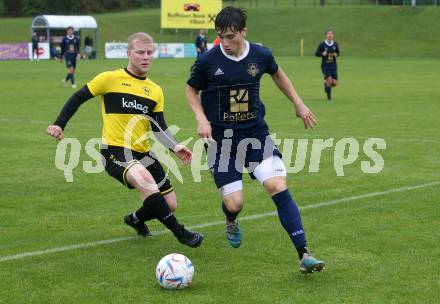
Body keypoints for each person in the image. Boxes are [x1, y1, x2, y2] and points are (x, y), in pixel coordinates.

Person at [186, 6, 324, 274]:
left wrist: (299, 103)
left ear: (244, 31)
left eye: (230, 36)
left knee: (277, 185)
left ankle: (304, 253)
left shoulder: (261, 54)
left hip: (255, 134)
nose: (225, 42)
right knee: (235, 203)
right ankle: (231, 219)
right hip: (220, 141)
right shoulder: (207, 60)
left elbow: (278, 73)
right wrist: (201, 119)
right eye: (220, 36)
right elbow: (191, 90)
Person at [47, 32, 204, 248]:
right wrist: (59, 124)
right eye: (140, 52)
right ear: (128, 53)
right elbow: (78, 97)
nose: (146, 57)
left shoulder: (155, 90)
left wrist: (175, 146)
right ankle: (181, 233)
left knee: (170, 203)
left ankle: (135, 219)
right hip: (115, 151)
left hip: (144, 152)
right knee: (144, 179)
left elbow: (159, 126)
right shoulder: (109, 79)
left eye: (150, 52)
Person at [315, 29, 340, 101]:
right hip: (325, 65)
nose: (330, 35)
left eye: (331, 34)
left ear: (333, 35)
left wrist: (336, 54)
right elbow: (316, 54)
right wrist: (322, 54)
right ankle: (329, 97)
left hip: (333, 65)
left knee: (334, 83)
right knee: (329, 80)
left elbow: (338, 53)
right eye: (328, 34)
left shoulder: (335, 44)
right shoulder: (322, 44)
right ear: (326, 35)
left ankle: (326, 85)